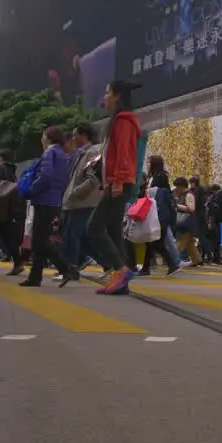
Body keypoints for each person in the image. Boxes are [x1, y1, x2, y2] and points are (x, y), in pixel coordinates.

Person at [95, 80, 142, 295]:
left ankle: (121, 270)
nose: (104, 97)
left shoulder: (123, 121)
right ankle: (121, 280)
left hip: (120, 182)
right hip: (116, 182)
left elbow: (123, 153)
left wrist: (117, 181)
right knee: (114, 232)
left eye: (107, 92)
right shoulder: (119, 120)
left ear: (117, 97)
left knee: (93, 228)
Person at [20, 126, 74, 287]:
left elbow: (45, 176)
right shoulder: (62, 154)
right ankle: (34, 277)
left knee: (39, 242)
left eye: (43, 136)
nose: (42, 139)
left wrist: (31, 191)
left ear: (49, 138)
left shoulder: (50, 152)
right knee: (40, 241)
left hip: (44, 200)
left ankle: (66, 267)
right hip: (54, 201)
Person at [61, 123, 106, 274]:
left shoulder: (92, 152)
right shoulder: (82, 153)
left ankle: (71, 269)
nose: (73, 138)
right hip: (76, 203)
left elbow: (93, 179)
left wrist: (75, 192)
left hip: (83, 203)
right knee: (83, 239)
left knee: (73, 236)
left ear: (84, 135)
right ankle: (109, 265)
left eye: (75, 135)